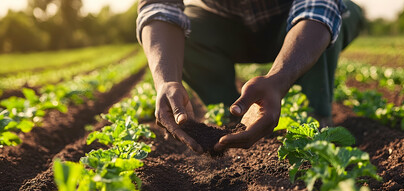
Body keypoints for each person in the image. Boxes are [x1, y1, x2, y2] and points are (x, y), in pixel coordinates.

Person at [136, 0, 363, 153]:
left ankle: (315, 124)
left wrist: (279, 79)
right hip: (224, 24)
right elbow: (159, 6)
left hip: (295, 21)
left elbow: (318, 7)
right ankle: (231, 120)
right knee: (189, 29)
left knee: (331, 20)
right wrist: (165, 80)